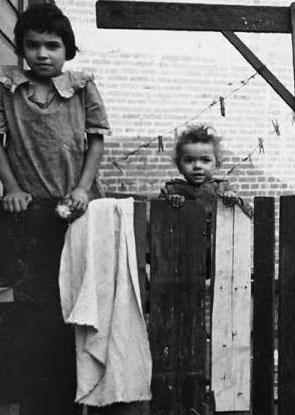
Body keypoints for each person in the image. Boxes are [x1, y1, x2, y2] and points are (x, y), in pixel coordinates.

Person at [0, 4, 110, 413]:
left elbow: (95, 141)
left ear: (68, 50)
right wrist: (11, 187)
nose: (42, 54)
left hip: (76, 209)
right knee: (34, 309)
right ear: (21, 50)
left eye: (52, 46)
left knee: (75, 307)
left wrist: (83, 189)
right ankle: (35, 400)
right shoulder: (8, 87)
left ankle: (78, 396)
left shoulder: (81, 87)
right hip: (28, 211)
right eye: (33, 46)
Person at [160, 124, 245, 211]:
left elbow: (246, 211)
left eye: (205, 160)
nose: (197, 166)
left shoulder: (222, 188)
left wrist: (233, 199)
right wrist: (169, 201)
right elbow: (156, 213)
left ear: (217, 165)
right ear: (179, 166)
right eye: (189, 160)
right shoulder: (172, 189)